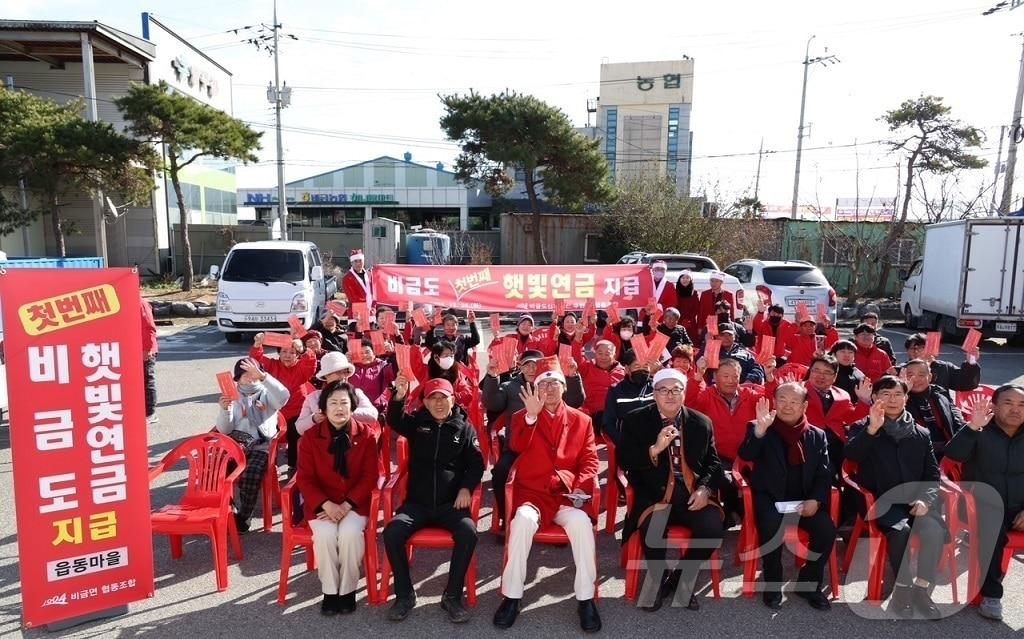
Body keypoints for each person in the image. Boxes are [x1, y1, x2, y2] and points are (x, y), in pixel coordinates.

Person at [493, 358, 601, 633]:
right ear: (535, 389)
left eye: (555, 383)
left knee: (581, 525)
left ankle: (586, 598)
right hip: (533, 494)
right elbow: (515, 446)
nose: (549, 389)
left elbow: (590, 460)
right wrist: (530, 417)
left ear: (564, 387)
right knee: (522, 521)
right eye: (543, 384)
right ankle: (512, 596)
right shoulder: (522, 417)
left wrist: (581, 485)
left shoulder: (582, 420)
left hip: (566, 494)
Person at [617, 368, 725, 612]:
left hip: (690, 494)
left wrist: (705, 489)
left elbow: (714, 463)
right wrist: (653, 450)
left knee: (712, 529)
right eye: (663, 390)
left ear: (684, 394)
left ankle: (681, 579)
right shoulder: (636, 419)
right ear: (654, 394)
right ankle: (657, 580)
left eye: (676, 390)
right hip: (655, 494)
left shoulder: (700, 422)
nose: (670, 395)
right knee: (653, 529)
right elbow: (623, 459)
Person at [384, 377, 485, 624]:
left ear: (453, 399)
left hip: (450, 505)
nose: (438, 403)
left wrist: (466, 488)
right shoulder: (419, 423)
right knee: (392, 532)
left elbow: (476, 465)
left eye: (443, 397)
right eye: (433, 398)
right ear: (426, 403)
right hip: (417, 504)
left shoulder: (464, 427)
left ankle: (452, 596)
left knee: (468, 532)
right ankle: (405, 595)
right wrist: (399, 397)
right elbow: (395, 420)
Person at [845, 376, 945, 620]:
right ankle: (902, 590)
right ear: (875, 398)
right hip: (881, 501)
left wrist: (926, 500)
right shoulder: (862, 426)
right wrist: (872, 430)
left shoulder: (920, 433)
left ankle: (921, 591)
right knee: (899, 531)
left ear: (905, 398)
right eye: (885, 394)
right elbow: (851, 456)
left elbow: (932, 474)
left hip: (915, 502)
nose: (891, 399)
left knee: (934, 531)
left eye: (897, 394)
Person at [737, 384, 836, 610]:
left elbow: (824, 473)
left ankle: (808, 583)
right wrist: (760, 432)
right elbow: (745, 454)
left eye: (794, 401)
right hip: (770, 499)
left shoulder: (816, 435)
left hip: (803, 500)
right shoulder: (759, 426)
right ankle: (772, 584)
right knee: (771, 526)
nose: (787, 406)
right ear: (774, 401)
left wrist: (816, 499)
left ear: (804, 406)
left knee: (826, 530)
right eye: (782, 400)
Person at [296, 381, 380, 616]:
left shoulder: (366, 435)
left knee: (350, 534)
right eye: (333, 403)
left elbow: (370, 475)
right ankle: (330, 591)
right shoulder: (311, 437)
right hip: (321, 504)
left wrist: (346, 504)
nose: (339, 408)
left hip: (354, 503)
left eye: (344, 402)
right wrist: (326, 504)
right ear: (323, 408)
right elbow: (304, 478)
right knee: (324, 535)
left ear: (353, 407)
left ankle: (348, 590)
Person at [944, 384, 1024, 622]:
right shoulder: (979, 430)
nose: (1015, 410)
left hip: (1019, 507)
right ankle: (991, 595)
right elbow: (953, 456)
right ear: (995, 406)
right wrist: (972, 427)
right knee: (992, 524)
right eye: (1008, 403)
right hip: (979, 506)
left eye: (1022, 405)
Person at [482, 349, 585, 531]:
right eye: (527, 364)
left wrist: (573, 376)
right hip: (518, 448)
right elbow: (492, 404)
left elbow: (575, 401)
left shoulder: (551, 385)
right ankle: (506, 518)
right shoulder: (510, 387)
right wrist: (491, 377)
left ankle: (554, 519)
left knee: (558, 476)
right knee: (499, 473)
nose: (531, 368)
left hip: (548, 451)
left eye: (536, 364)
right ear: (520, 367)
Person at [216, 357, 291, 532]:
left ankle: (244, 516)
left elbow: (284, 396)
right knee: (216, 470)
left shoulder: (267, 394)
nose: (250, 378)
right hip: (238, 445)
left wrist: (264, 377)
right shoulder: (232, 396)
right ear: (237, 379)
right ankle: (229, 509)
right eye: (244, 375)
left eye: (253, 375)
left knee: (251, 472)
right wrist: (225, 410)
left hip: (261, 446)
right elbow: (224, 429)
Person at [250, 332, 319, 473]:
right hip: (274, 411)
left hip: (297, 411)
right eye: (284, 351)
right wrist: (257, 344)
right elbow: (256, 361)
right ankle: (269, 465)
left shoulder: (301, 368)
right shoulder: (272, 366)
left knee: (295, 436)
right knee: (267, 435)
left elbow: (311, 362)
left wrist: (304, 350)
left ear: (297, 355)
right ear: (279, 353)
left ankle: (293, 466)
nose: (288, 355)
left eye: (292, 352)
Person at [799, 355, 871, 480]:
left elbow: (852, 420)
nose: (821, 376)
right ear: (810, 372)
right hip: (806, 441)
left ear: (835, 377)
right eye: (816, 370)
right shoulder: (798, 389)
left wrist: (864, 401)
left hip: (835, 444)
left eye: (827, 372)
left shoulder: (842, 395)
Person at [296, 352, 378, 437]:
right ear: (326, 375)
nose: (343, 376)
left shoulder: (356, 393)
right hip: (322, 442)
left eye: (345, 372)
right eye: (338, 372)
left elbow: (373, 415)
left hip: (353, 440)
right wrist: (313, 419)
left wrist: (348, 412)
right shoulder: (313, 397)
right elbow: (299, 428)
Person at [904, 359, 966, 458]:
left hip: (947, 448)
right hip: (917, 452)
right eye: (910, 375)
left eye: (921, 375)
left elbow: (957, 419)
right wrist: (903, 392)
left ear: (930, 377)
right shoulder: (900, 399)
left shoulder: (940, 394)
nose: (915, 379)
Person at [570, 337, 625, 435]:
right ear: (595, 354)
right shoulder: (588, 367)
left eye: (607, 354)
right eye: (599, 353)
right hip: (592, 411)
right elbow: (577, 359)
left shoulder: (623, 371)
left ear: (614, 355)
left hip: (615, 413)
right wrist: (578, 338)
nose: (603, 357)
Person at [602, 350, 655, 446]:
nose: (642, 370)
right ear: (626, 369)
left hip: (655, 442)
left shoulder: (657, 388)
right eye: (637, 366)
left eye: (645, 366)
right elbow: (608, 422)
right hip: (628, 443)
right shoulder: (616, 390)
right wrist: (623, 442)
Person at [903, 333, 981, 392]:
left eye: (921, 347)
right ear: (907, 351)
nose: (916, 351)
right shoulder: (902, 369)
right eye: (912, 348)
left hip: (941, 408)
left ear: (929, 348)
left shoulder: (943, 367)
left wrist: (971, 361)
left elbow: (966, 384)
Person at [348, 339, 396, 417]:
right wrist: (344, 361)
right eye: (360, 353)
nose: (364, 355)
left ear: (374, 353)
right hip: (354, 412)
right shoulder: (350, 368)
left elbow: (396, 370)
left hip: (376, 412)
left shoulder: (382, 366)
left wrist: (392, 354)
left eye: (367, 352)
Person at [141, 298, 159, 424]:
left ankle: (150, 413)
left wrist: (147, 349)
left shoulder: (140, 303)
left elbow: (149, 328)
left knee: (147, 381)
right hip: (131, 351)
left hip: (146, 350)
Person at [674, 270, 701, 337]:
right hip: (676, 322)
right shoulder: (674, 292)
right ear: (679, 279)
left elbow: (696, 308)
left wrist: (688, 320)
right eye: (683, 278)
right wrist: (679, 320)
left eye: (687, 278)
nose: (685, 280)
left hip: (690, 323)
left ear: (690, 280)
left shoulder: (694, 293)